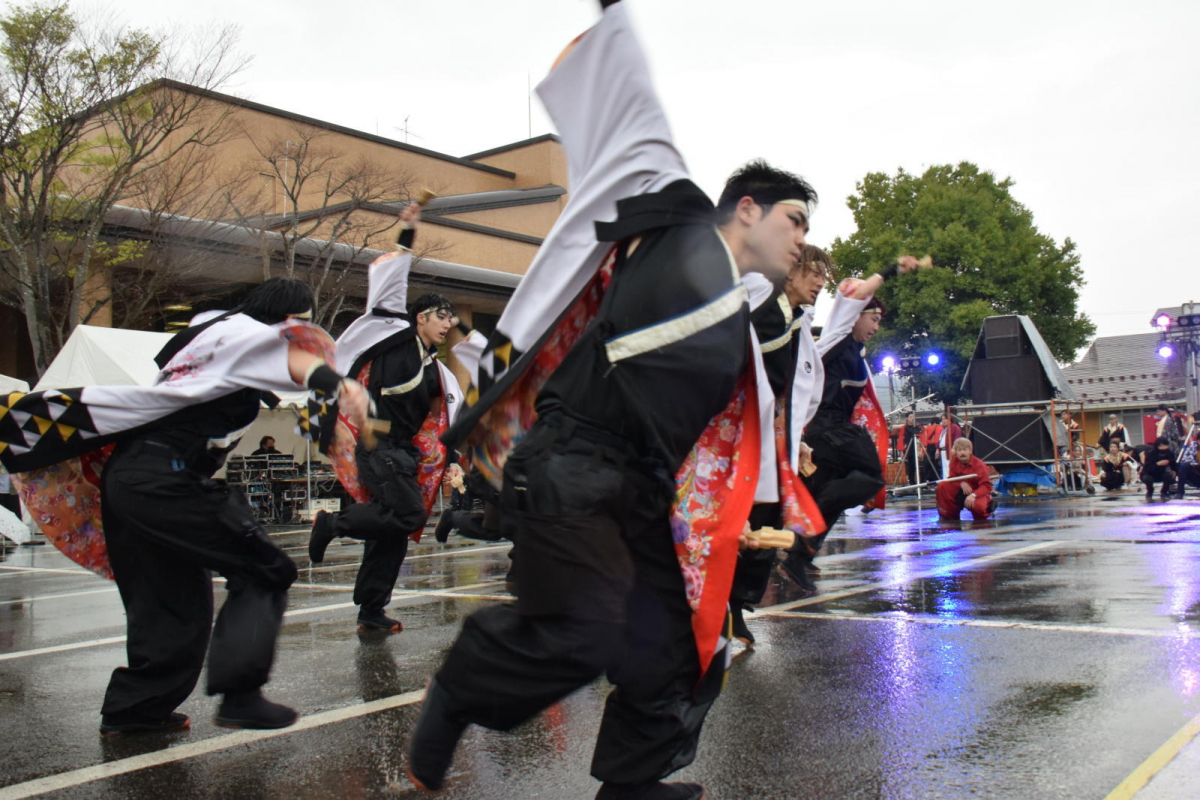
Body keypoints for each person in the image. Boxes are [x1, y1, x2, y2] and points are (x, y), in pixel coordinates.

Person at [406, 5, 810, 798]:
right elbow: (633, 107)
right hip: (570, 468)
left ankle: (632, 784)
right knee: (582, 631)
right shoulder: (676, 225)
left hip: (639, 492)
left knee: (680, 648)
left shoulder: (742, 314)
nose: (803, 239)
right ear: (748, 209)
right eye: (795, 219)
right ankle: (462, 684)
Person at [0, 278, 369, 734]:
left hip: (133, 480)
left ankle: (135, 710)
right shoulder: (247, 335)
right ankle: (242, 696)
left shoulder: (204, 340)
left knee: (169, 599)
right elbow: (289, 355)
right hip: (166, 480)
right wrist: (338, 382)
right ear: (287, 320)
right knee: (265, 569)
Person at [308, 202, 464, 632]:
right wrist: (408, 230)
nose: (448, 323)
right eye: (441, 316)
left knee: (391, 533)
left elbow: (445, 420)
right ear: (420, 317)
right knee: (410, 516)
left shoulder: (439, 371)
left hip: (403, 453)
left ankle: (370, 612)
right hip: (379, 447)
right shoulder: (392, 335)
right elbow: (392, 281)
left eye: (452, 318)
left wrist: (453, 459)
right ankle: (331, 523)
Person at [778, 256, 927, 588]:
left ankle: (799, 556)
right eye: (873, 318)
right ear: (855, 314)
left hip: (833, 432)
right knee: (871, 476)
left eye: (879, 321)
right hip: (827, 430)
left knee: (835, 488)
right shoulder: (837, 335)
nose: (876, 327)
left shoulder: (858, 354)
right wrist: (893, 269)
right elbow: (852, 291)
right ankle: (802, 532)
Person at [729, 244, 830, 643]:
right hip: (739, 437)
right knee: (738, 523)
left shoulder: (796, 320)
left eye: (825, 277)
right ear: (790, 271)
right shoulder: (763, 305)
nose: (822, 283)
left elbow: (794, 389)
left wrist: (797, 436)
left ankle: (737, 605)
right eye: (815, 273)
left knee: (765, 526)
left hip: (774, 440)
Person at [936, 438, 997, 520]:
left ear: (970, 451)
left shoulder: (980, 465)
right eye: (959, 450)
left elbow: (986, 486)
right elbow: (951, 479)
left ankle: (985, 512)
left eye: (965, 450)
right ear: (956, 452)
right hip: (960, 490)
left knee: (978, 507)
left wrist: (973, 495)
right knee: (942, 485)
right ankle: (949, 515)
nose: (962, 453)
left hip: (976, 492)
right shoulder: (954, 462)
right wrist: (961, 483)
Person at [1175, 415, 1199, 499]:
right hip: (1195, 474)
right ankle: (1180, 492)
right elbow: (1185, 459)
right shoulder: (1193, 446)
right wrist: (1195, 464)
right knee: (1183, 466)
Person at [937, 411, 963, 479]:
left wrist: (954, 448)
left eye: (945, 419)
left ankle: (950, 481)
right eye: (942, 419)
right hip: (943, 451)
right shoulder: (944, 429)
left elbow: (957, 439)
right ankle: (946, 480)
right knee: (945, 467)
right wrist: (937, 449)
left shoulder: (954, 427)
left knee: (950, 466)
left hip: (949, 450)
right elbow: (940, 440)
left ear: (949, 419)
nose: (943, 421)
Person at [902, 412, 924, 486]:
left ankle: (921, 481)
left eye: (913, 416)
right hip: (909, 448)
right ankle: (911, 481)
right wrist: (902, 451)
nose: (912, 418)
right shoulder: (904, 427)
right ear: (907, 418)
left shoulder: (918, 426)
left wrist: (921, 449)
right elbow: (902, 439)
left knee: (919, 465)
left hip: (916, 447)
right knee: (910, 466)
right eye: (911, 416)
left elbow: (922, 436)